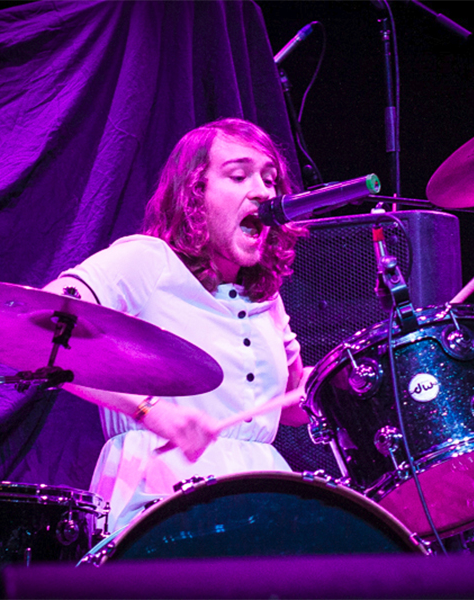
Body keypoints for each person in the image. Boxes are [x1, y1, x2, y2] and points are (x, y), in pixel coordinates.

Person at [43, 118, 309, 533]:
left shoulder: (265, 296)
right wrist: (148, 409)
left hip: (264, 492)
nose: (262, 192)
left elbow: (291, 408)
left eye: (270, 179)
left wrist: (350, 379)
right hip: (162, 490)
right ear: (194, 194)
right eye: (239, 176)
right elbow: (45, 330)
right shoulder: (149, 261)